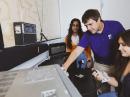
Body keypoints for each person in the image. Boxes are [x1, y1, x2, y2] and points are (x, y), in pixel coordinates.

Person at [62, 9, 125, 97]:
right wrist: (64, 67)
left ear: (99, 19)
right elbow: (77, 51)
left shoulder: (115, 25)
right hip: (101, 66)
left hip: (119, 65)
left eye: (90, 24)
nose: (88, 28)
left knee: (122, 89)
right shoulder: (87, 34)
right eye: (86, 25)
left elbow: (126, 41)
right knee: (103, 91)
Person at [65, 18, 97, 97]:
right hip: (73, 61)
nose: (75, 27)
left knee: (82, 62)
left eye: (77, 25)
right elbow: (68, 53)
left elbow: (88, 50)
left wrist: (89, 59)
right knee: (74, 77)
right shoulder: (67, 38)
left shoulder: (83, 36)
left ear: (79, 27)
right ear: (71, 26)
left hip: (84, 58)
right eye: (73, 25)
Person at [114, 30, 130, 97]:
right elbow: (121, 84)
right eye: (119, 44)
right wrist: (106, 79)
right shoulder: (125, 60)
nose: (119, 48)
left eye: (123, 45)